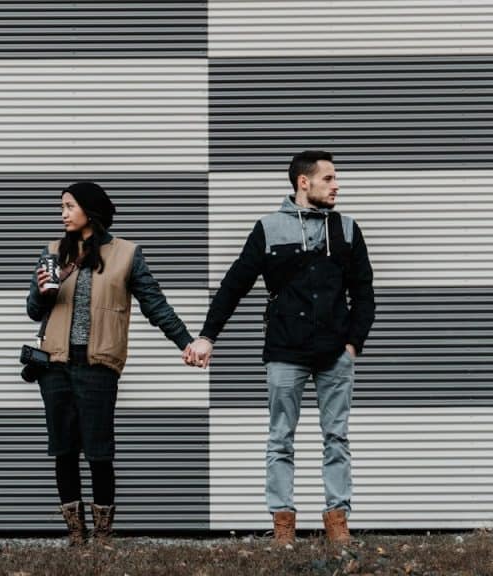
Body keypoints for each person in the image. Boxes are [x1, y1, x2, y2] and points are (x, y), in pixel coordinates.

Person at [184, 150, 375, 545]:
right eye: (328, 178)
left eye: (335, 178)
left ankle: (338, 523)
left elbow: (364, 294)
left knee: (336, 437)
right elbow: (234, 285)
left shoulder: (348, 230)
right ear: (303, 183)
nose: (336, 185)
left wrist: (353, 345)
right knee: (280, 438)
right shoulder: (269, 229)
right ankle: (283, 525)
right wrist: (207, 335)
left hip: (334, 355)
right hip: (285, 352)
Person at [28, 181, 195, 546]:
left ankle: (102, 535)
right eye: (62, 207)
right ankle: (76, 534)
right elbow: (33, 310)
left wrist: (186, 341)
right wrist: (42, 293)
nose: (63, 214)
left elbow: (156, 306)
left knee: (100, 452)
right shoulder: (53, 252)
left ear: (90, 210)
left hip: (98, 366)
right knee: (63, 450)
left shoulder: (126, 254)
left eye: (69, 206)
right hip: (54, 367)